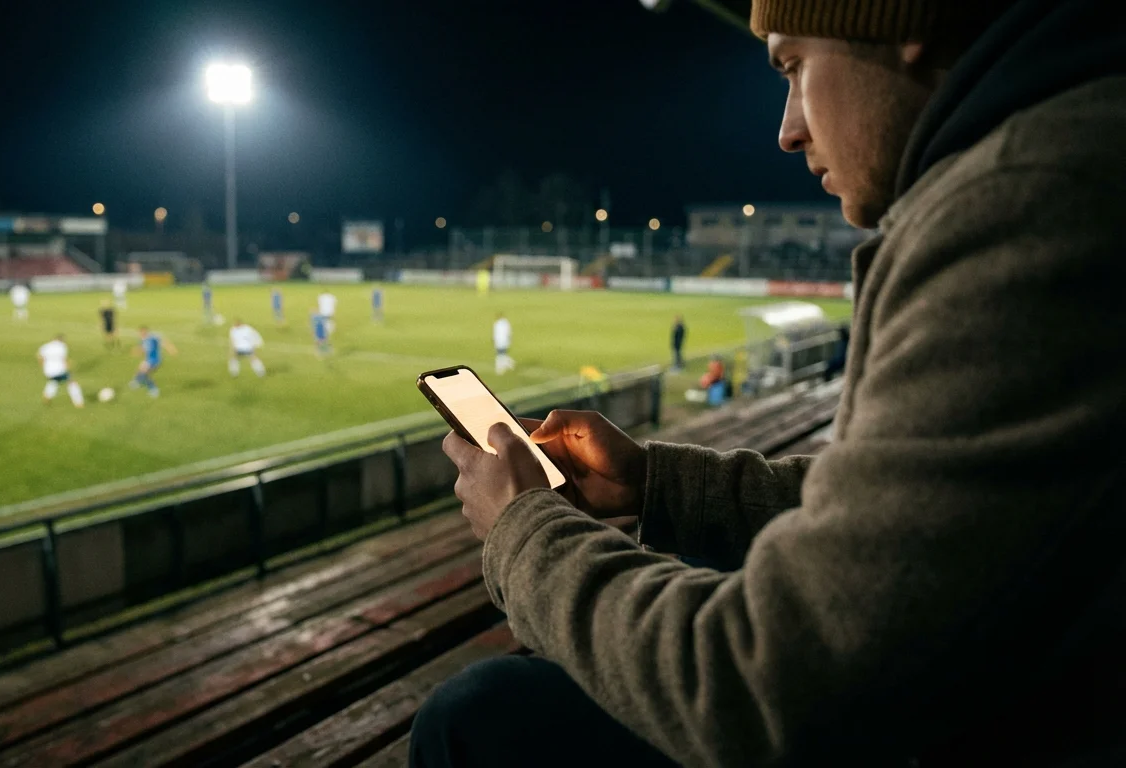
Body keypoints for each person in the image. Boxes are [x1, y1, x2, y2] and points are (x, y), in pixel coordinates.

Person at [412, 1, 1126, 766]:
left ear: (904, 26)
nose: (787, 130)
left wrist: (523, 528)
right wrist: (659, 485)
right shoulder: (1062, 148)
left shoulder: (1027, 200)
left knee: (478, 718)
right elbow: (925, 516)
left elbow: (772, 686)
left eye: (793, 67)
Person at [37, 333, 84, 408]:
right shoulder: (62, 346)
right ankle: (79, 403)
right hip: (59, 370)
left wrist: (44, 368)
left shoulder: (45, 346)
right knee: (72, 382)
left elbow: (40, 358)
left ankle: (47, 397)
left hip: (48, 371)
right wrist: (69, 366)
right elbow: (64, 359)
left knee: (54, 381)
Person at [129, 325, 177, 398]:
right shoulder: (142, 339)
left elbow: (163, 343)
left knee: (145, 373)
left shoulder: (153, 338)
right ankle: (137, 381)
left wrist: (170, 349)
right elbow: (142, 349)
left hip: (156, 360)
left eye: (142, 332)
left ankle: (154, 389)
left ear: (146, 332)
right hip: (148, 359)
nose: (140, 334)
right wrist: (137, 351)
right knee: (140, 370)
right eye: (140, 333)